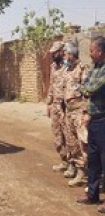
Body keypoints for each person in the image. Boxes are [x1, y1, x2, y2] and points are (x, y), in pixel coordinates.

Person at [76, 36, 105, 213]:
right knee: (93, 160)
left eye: (92, 50)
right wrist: (84, 87)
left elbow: (91, 88)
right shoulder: (94, 68)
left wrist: (84, 88)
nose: (90, 53)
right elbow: (85, 85)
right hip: (93, 120)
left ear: (100, 52)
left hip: (103, 120)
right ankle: (92, 195)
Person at [62, 43, 88, 186]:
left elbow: (87, 92)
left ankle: (86, 172)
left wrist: (85, 112)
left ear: (72, 54)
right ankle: (76, 169)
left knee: (82, 144)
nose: (65, 56)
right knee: (71, 142)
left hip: (78, 111)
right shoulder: (68, 70)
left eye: (66, 53)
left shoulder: (81, 69)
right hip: (69, 111)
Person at [46, 41, 68, 172]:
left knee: (69, 136)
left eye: (55, 52)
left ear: (61, 51)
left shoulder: (69, 66)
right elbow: (51, 85)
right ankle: (64, 161)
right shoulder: (53, 66)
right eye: (52, 53)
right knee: (57, 135)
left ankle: (74, 165)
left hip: (65, 106)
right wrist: (48, 103)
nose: (53, 55)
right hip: (55, 106)